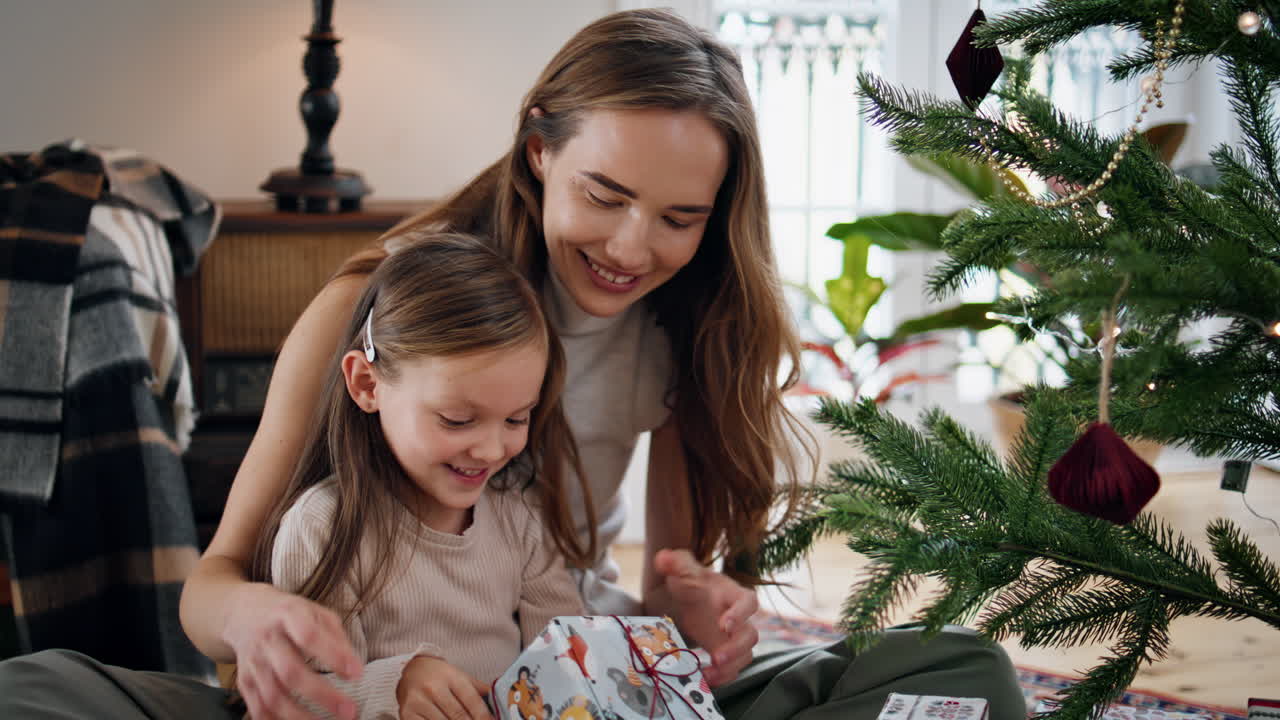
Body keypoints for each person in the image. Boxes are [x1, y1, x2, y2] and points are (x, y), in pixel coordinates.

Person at [0, 8, 1025, 720]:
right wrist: (263, 620)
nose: (631, 249)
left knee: (958, 670)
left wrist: (697, 605)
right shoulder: (369, 308)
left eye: (677, 219)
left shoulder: (683, 334)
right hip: (361, 688)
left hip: (571, 679)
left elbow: (663, 588)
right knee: (33, 692)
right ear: (538, 148)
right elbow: (210, 590)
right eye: (604, 193)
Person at [250, 231, 586, 719]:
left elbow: (569, 661)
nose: (494, 449)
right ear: (367, 385)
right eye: (456, 420)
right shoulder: (322, 528)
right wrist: (395, 684)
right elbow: (303, 697)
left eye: (516, 418)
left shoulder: (520, 522)